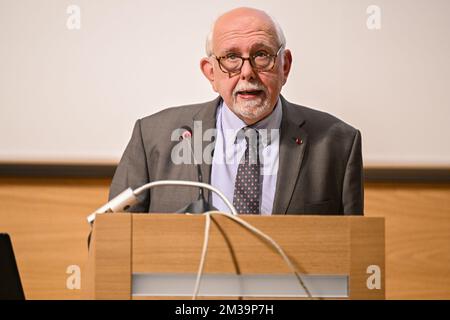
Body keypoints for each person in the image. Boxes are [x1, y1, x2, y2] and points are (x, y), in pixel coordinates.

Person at [109, 7, 364, 215]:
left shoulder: (337, 143)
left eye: (261, 55)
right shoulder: (155, 136)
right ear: (211, 73)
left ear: (284, 66)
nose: (247, 72)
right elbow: (111, 240)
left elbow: (355, 252)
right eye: (231, 57)